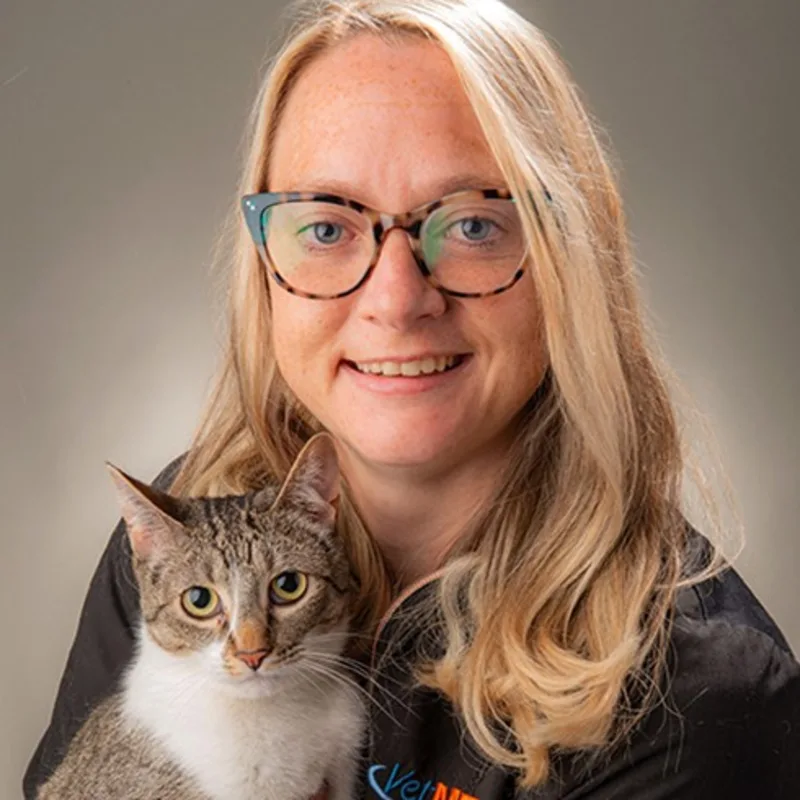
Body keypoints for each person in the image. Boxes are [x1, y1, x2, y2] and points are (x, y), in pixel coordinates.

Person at [24, 0, 800, 797]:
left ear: (569, 264)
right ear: (264, 272)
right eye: (326, 227)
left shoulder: (702, 695)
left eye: (470, 224)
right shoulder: (180, 529)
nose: (396, 301)